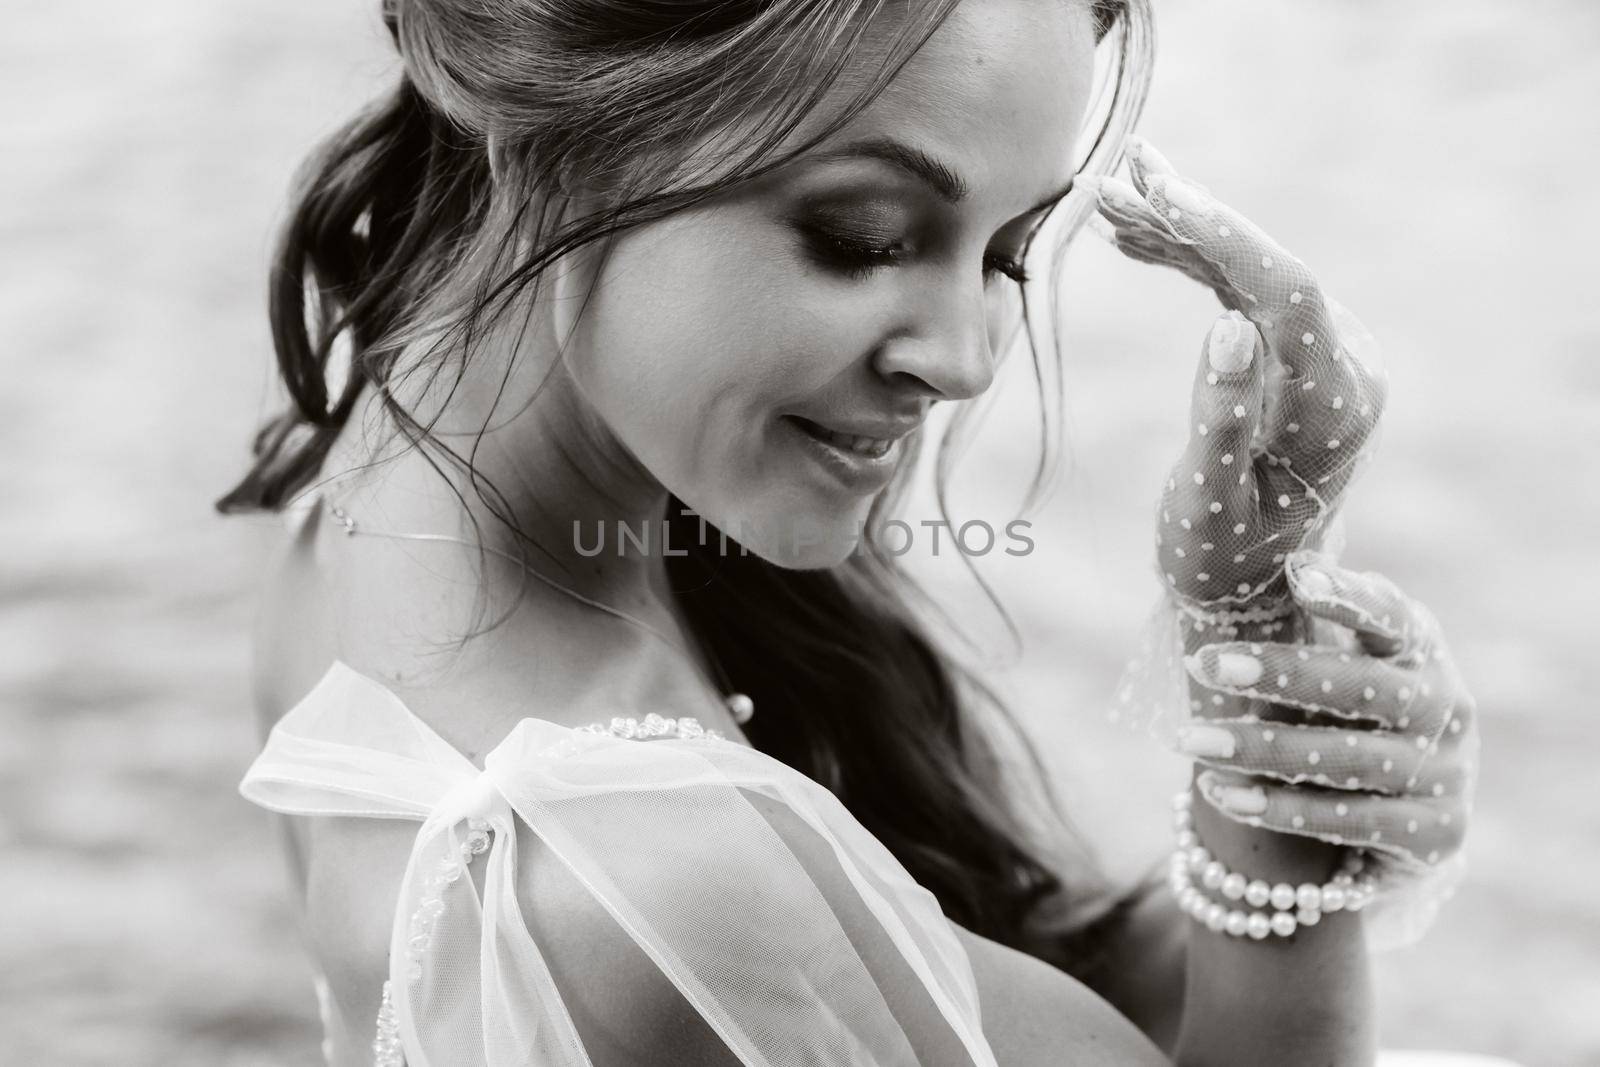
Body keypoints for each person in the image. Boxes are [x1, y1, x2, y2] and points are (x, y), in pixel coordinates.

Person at [219, 0, 1490, 1063]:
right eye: (865, 236)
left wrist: (1305, 798)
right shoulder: (664, 881)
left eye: (1009, 249)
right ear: (563, 113)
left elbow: (968, 966)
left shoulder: (351, 534)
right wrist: (1271, 801)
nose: (969, 358)